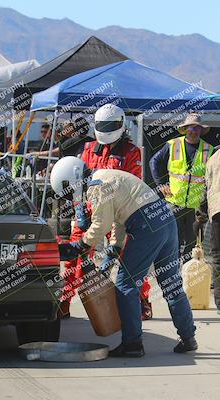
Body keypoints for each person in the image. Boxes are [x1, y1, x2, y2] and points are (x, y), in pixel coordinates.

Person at [51, 156, 197, 357]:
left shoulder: (97, 186)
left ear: (71, 181)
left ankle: (132, 344)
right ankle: (189, 337)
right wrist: (115, 246)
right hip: (165, 219)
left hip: (147, 225)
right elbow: (121, 217)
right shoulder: (107, 177)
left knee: (126, 285)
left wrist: (80, 246)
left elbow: (101, 224)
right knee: (171, 283)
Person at [60, 104, 151, 320]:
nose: (106, 128)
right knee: (75, 256)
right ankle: (64, 300)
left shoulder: (132, 152)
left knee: (128, 256)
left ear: (120, 125)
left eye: (110, 125)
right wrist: (79, 210)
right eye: (103, 125)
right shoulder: (89, 148)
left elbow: (131, 187)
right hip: (91, 211)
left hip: (118, 214)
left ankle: (142, 299)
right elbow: (78, 182)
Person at [150, 113, 214, 262]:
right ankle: (172, 275)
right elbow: (153, 162)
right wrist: (161, 184)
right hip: (174, 203)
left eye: (198, 128)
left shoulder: (209, 149)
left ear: (201, 130)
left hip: (196, 206)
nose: (194, 130)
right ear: (185, 129)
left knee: (193, 244)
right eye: (191, 127)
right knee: (173, 242)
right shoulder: (172, 145)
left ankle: (188, 274)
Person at [194, 148, 220, 314]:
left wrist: (201, 214)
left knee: (218, 257)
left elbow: (205, 188)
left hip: (217, 212)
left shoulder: (213, 158)